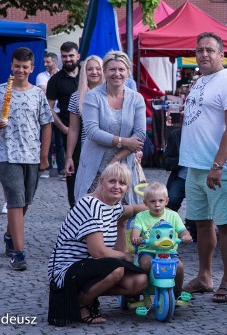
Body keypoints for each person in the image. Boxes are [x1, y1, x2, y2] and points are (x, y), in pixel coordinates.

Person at [179, 32, 227, 303]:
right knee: (201, 224)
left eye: (210, 50)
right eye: (200, 49)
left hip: (220, 167)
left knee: (226, 224)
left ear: (221, 54)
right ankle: (205, 276)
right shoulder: (200, 80)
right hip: (194, 166)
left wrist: (217, 165)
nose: (204, 53)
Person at [47, 162, 148, 326]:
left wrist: (158, 208)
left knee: (140, 281)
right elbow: (98, 253)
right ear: (101, 182)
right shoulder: (91, 205)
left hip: (89, 266)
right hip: (66, 270)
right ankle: (79, 305)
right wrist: (125, 255)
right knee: (117, 268)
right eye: (112, 181)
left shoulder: (114, 205)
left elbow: (132, 209)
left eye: (122, 183)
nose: (117, 187)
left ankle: (87, 295)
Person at [0, 47, 53, 270]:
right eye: (17, 66)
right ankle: (19, 253)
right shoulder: (1, 92)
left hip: (32, 154)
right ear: (11, 66)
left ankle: (9, 234)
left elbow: (46, 124)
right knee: (15, 198)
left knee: (26, 202)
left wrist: (44, 156)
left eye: (25, 67)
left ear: (32, 68)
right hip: (7, 154)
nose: (20, 70)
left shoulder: (38, 94)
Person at [74, 51, 145, 208]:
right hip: (95, 166)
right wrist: (124, 141)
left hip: (124, 168)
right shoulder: (93, 97)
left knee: (123, 216)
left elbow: (139, 136)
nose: (117, 74)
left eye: (121, 69)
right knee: (92, 211)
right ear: (104, 71)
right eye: (112, 69)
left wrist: (116, 159)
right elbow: (92, 131)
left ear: (128, 71)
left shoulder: (136, 99)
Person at [131, 182, 192, 299]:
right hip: (148, 250)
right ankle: (140, 289)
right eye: (152, 201)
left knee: (179, 267)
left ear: (167, 201)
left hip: (168, 251)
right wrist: (136, 237)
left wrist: (186, 236)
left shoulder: (173, 215)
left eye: (160, 201)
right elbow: (136, 230)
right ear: (145, 203)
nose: (157, 205)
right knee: (145, 264)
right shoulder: (141, 216)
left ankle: (177, 292)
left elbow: (183, 230)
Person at [64, 55, 103, 208]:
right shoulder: (76, 97)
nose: (94, 72)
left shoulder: (111, 95)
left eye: (98, 68)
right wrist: (68, 157)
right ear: (84, 72)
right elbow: (73, 129)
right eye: (90, 69)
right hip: (87, 151)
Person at [47, 43, 81, 181]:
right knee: (73, 169)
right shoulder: (55, 80)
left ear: (77, 56)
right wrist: (63, 128)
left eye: (71, 55)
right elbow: (48, 108)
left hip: (91, 129)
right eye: (64, 56)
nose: (68, 59)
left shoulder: (87, 73)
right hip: (69, 130)